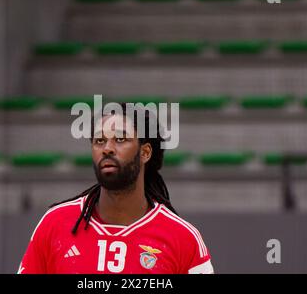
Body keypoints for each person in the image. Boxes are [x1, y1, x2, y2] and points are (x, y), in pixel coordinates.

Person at [18, 103, 214, 274]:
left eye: (120, 139)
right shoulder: (55, 224)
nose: (107, 148)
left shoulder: (183, 239)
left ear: (145, 152)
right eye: (99, 141)